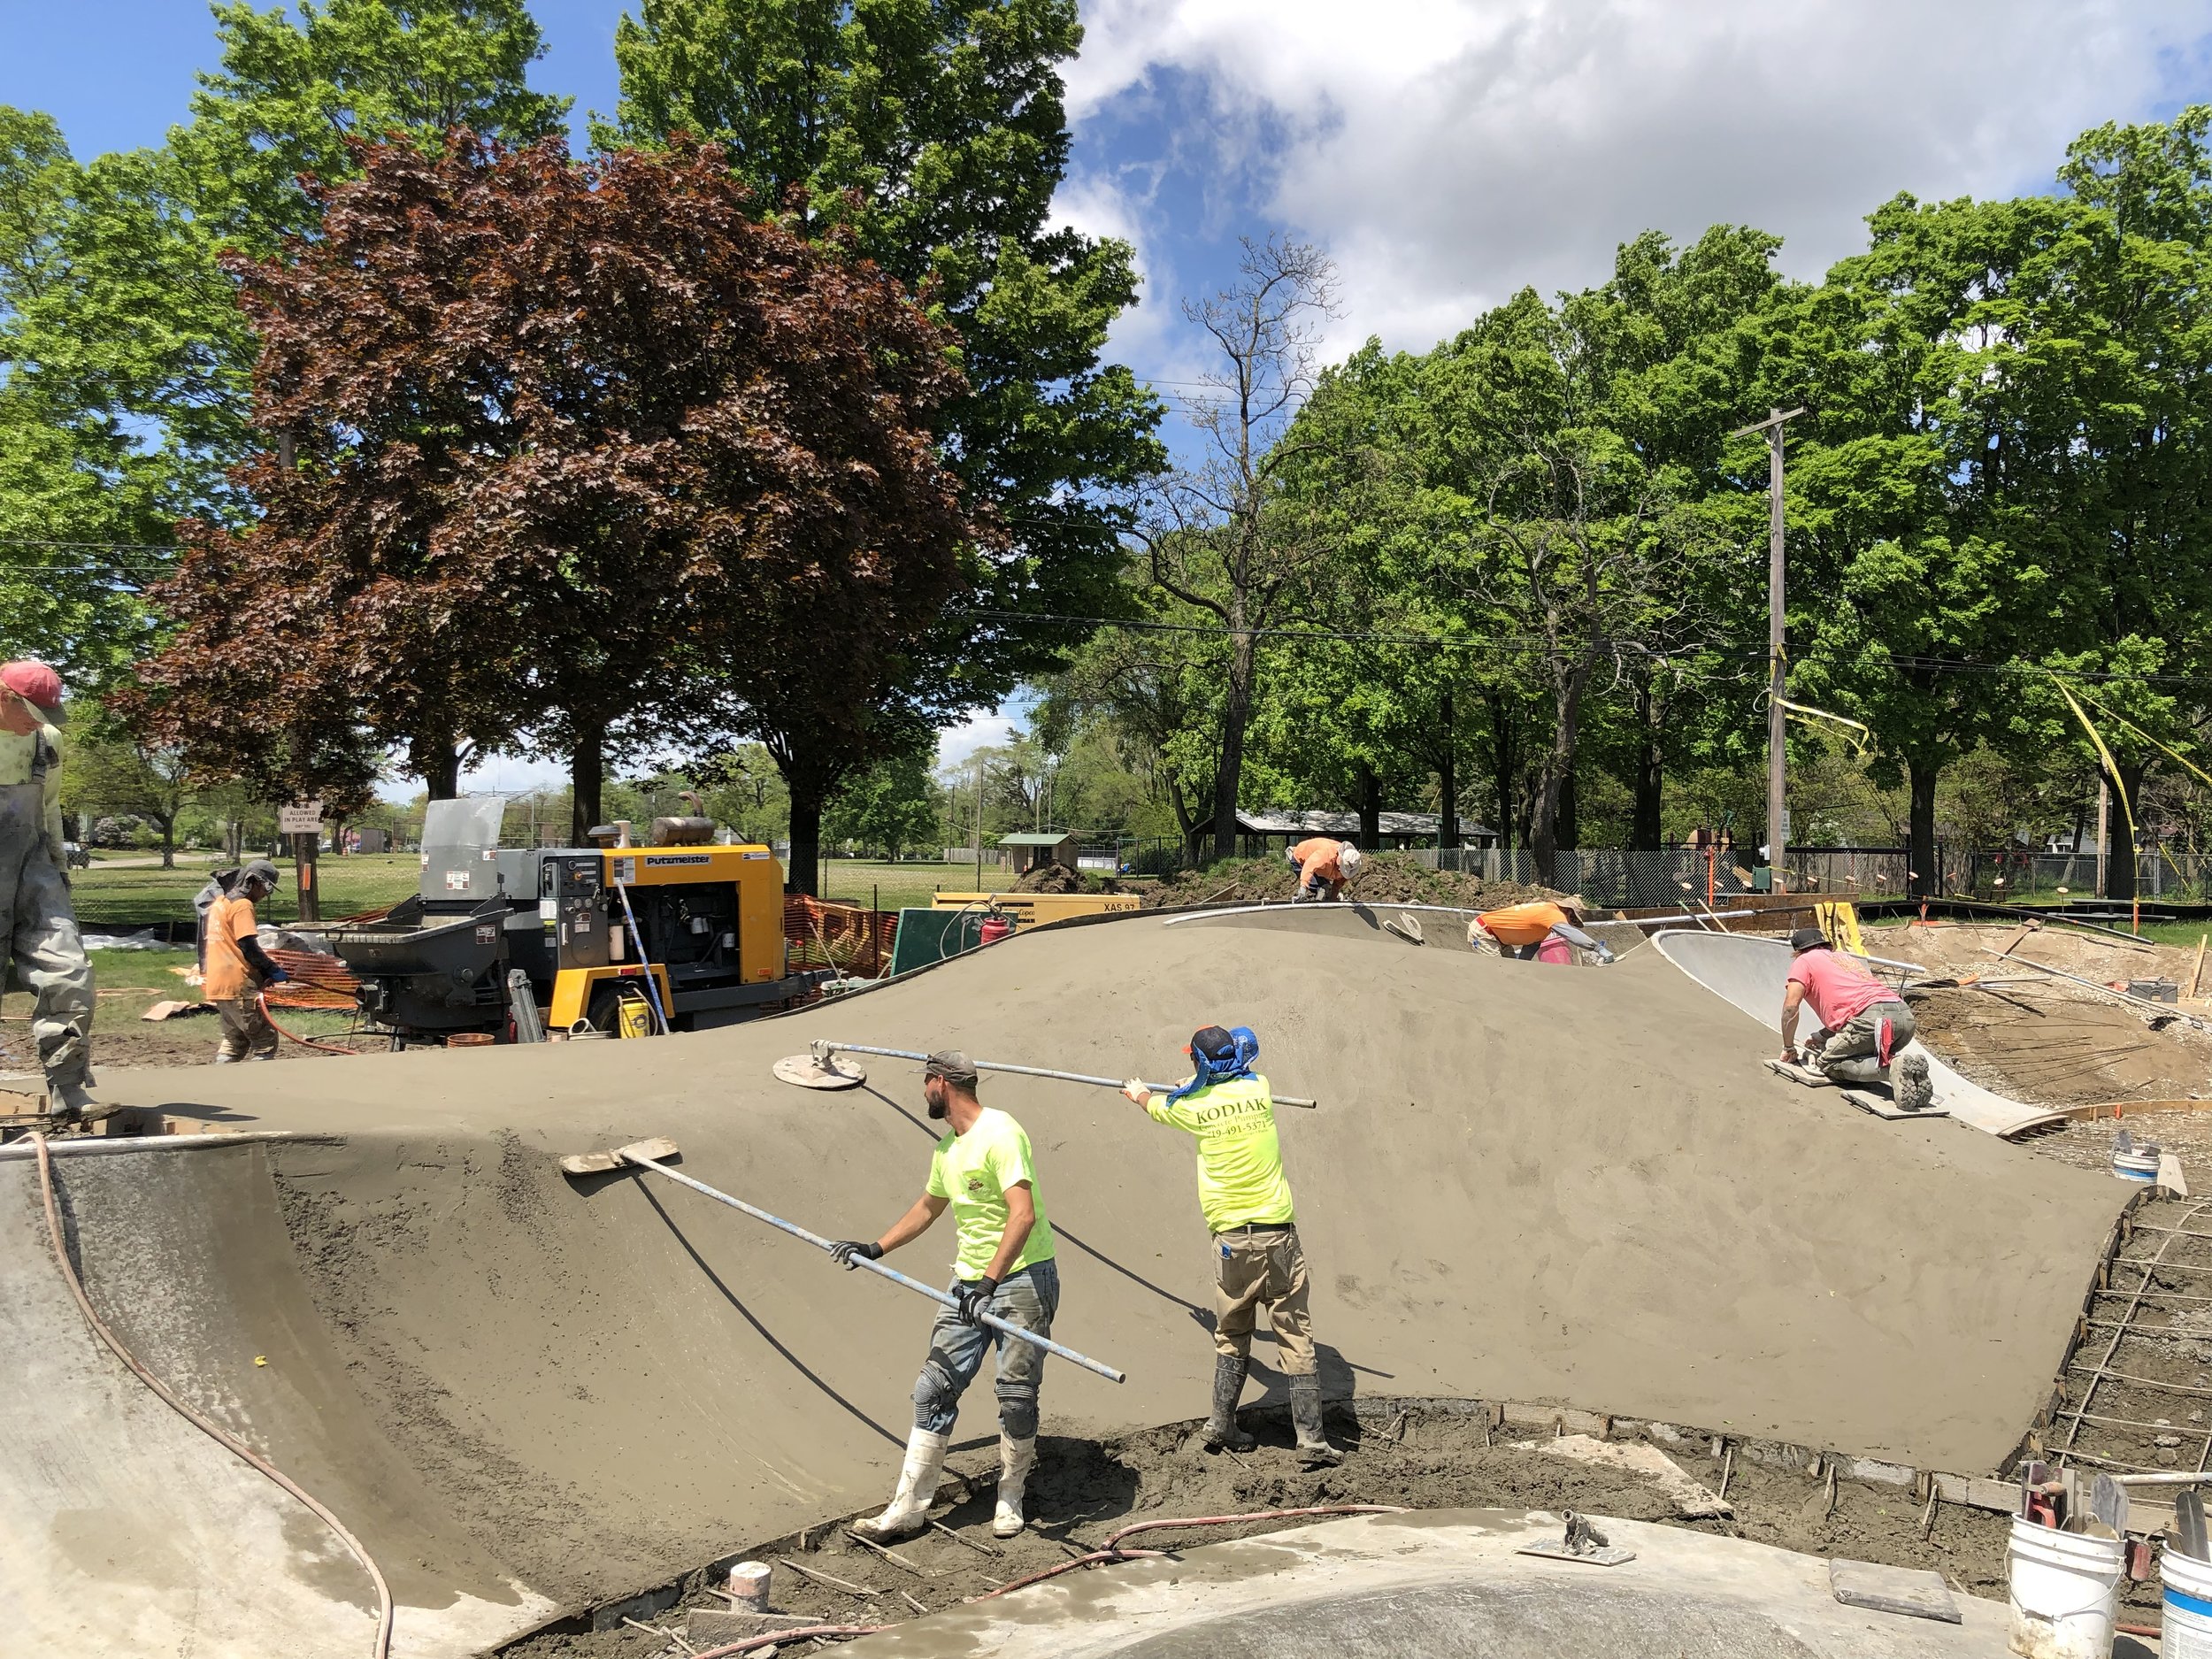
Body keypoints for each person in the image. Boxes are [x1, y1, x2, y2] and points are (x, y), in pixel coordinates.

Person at [831, 1051, 1059, 1542]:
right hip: (968, 1287)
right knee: (932, 1390)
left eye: (926, 1084)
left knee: (1016, 1396)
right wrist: (875, 1247)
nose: (924, 1093)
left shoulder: (1001, 1134)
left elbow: (1022, 1216)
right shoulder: (946, 1150)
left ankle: (1010, 1493)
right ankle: (908, 1509)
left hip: (1020, 1281)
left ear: (941, 1084)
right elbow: (928, 1208)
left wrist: (989, 1283)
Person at [1121, 1025, 1340, 1468]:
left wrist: (1138, 1091)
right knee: (1294, 1333)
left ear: (1200, 1064)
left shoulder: (1193, 1110)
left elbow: (1155, 1106)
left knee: (1232, 1332)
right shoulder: (1259, 1089)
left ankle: (1222, 1423)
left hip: (1231, 1241)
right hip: (1278, 1234)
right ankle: (1312, 1441)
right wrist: (1194, 1085)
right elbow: (1223, 1086)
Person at [0, 661, 96, 1120]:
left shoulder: (45, 741)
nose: (37, 723)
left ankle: (69, 1089)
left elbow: (49, 806)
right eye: (31, 712)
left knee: (69, 970)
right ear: (4, 696)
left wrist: (58, 870)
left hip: (33, 868)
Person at [1779, 926, 1932, 1110]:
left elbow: (1790, 1007)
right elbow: (1855, 1006)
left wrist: (1788, 1047)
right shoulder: (1844, 958)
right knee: (1863, 1053)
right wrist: (1821, 1036)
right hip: (1903, 1017)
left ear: (1797, 952)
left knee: (1829, 1063)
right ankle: (1912, 1075)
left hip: (1870, 1021)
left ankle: (1890, 1069)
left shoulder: (1803, 961)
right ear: (1826, 945)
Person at [203, 860, 291, 1063]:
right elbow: (247, 945)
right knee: (264, 1040)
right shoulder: (243, 906)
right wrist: (272, 968)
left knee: (234, 1040)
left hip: (219, 983)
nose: (266, 894)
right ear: (255, 883)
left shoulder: (221, 903)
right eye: (266, 888)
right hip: (239, 983)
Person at [1470, 898, 1617, 964]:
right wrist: (1599, 948)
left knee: (1510, 970)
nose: (1570, 923)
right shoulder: (1551, 913)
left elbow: (1532, 945)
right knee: (1496, 970)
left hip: (1498, 937)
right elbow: (1572, 935)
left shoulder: (1544, 920)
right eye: (1572, 919)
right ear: (1567, 910)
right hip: (1484, 932)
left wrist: (1522, 966)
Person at [1286, 837, 1363, 902]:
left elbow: (1337, 885)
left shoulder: (1351, 867)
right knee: (1321, 888)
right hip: (1301, 859)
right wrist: (1303, 890)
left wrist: (1333, 900)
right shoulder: (1327, 855)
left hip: (1321, 869)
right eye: (1340, 867)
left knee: (1326, 889)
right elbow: (1309, 867)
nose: (1339, 869)